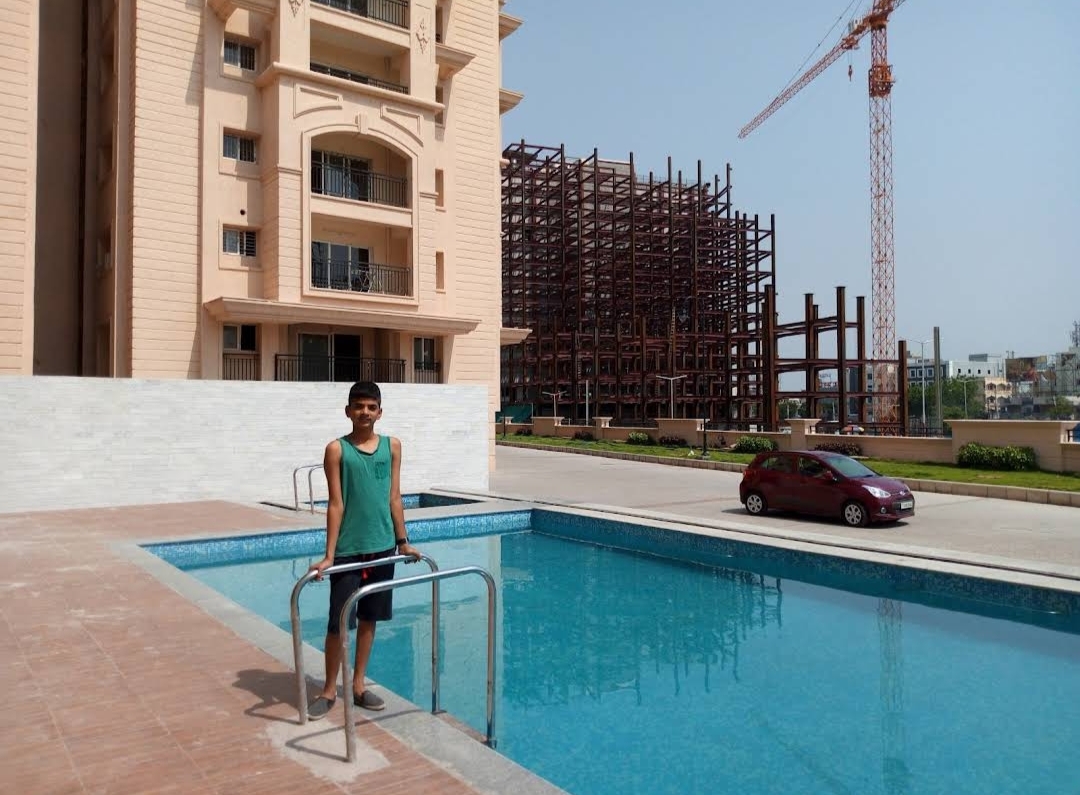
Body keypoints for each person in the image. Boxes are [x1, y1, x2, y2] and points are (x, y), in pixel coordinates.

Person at [306, 380, 420, 720]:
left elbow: (394, 497)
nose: (365, 412)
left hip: (383, 547)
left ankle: (357, 686)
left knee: (370, 619)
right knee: (338, 622)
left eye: (371, 407)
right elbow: (335, 504)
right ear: (348, 411)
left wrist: (403, 541)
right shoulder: (337, 450)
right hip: (349, 550)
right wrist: (329, 555)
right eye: (359, 406)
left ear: (380, 412)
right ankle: (329, 690)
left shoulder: (393, 446)